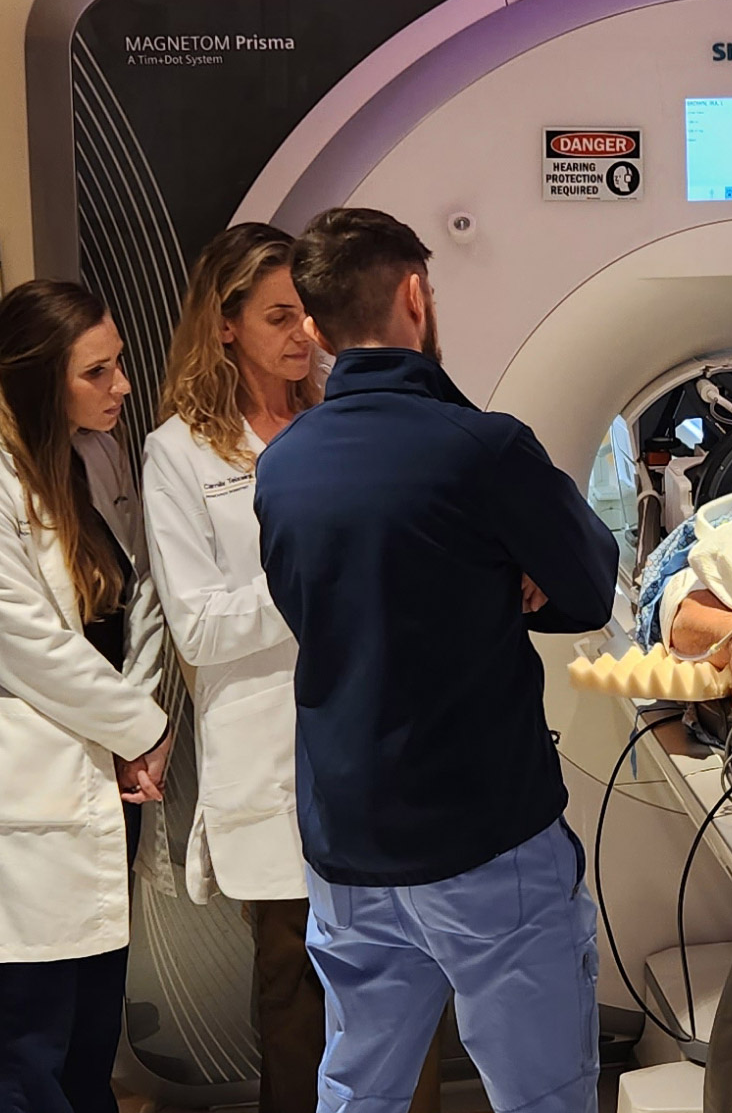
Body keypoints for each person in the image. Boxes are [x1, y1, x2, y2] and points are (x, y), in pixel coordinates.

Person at [255, 207, 618, 1113]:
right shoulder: (482, 448)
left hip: (348, 843)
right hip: (483, 838)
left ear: (315, 321)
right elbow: (590, 587)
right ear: (414, 292)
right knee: (540, 1094)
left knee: (359, 1087)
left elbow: (333, 604)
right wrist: (510, 578)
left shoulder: (284, 464)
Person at [144, 223, 436, 1113]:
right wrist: (321, 586)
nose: (302, 334)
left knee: (401, 982)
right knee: (294, 992)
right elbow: (196, 625)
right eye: (276, 316)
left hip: (372, 738)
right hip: (266, 754)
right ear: (224, 324)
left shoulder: (343, 423)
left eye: (307, 314)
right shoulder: (180, 453)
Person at [0, 280, 172, 1113]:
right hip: (26, 776)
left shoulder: (96, 453)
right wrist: (140, 726)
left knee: (93, 1027)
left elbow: (134, 598)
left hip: (108, 771)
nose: (121, 387)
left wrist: (142, 728)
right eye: (97, 372)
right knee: (26, 1037)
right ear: (35, 377)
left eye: (119, 365)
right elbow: (29, 645)